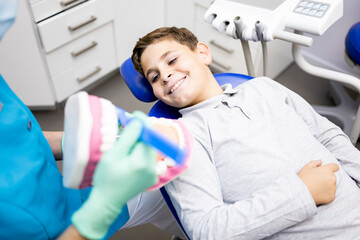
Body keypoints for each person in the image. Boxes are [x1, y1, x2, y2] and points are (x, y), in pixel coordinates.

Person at [131, 26, 360, 239]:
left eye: (172, 60)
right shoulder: (181, 138)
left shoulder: (263, 87)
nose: (165, 76)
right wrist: (302, 193)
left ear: (202, 53)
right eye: (154, 77)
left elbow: (328, 135)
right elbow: (206, 229)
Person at [0, 1, 172, 240]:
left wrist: (87, 141)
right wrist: (104, 206)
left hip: (59, 192)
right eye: (155, 76)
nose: (167, 76)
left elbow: (18, 134)